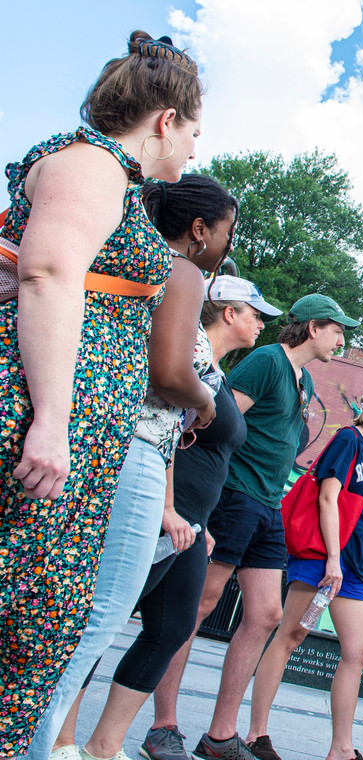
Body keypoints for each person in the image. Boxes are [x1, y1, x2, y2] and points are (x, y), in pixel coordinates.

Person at [0, 31, 201, 756]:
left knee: (41, 616)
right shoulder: (91, 164)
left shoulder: (110, 176)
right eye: (194, 133)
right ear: (166, 120)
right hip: (46, 422)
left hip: (79, 433)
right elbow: (48, 272)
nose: (192, 154)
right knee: (24, 610)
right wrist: (52, 421)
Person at [29, 174, 239, 760]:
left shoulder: (137, 260)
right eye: (226, 232)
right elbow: (168, 375)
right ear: (199, 230)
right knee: (99, 615)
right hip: (136, 454)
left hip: (127, 451)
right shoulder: (182, 272)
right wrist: (201, 401)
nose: (226, 245)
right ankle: (36, 741)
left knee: (86, 610)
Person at [42, 276, 279, 760]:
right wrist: (168, 508)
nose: (262, 323)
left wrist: (203, 522)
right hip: (160, 510)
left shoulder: (217, 375)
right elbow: (162, 432)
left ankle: (103, 745)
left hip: (191, 522)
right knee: (100, 619)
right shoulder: (185, 355)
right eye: (256, 313)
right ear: (228, 313)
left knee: (171, 629)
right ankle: (58, 739)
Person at [152, 294, 358, 760]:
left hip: (269, 505)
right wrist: (192, 498)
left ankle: (221, 736)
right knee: (199, 606)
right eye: (337, 329)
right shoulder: (267, 361)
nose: (341, 339)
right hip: (234, 494)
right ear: (312, 328)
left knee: (265, 614)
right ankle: (163, 725)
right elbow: (215, 422)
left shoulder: (303, 379)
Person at [246, 384, 363, 760]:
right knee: (289, 636)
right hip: (323, 558)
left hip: (353, 567)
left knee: (357, 652)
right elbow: (328, 496)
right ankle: (255, 734)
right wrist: (331, 559)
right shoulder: (348, 439)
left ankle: (341, 749)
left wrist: (347, 563)